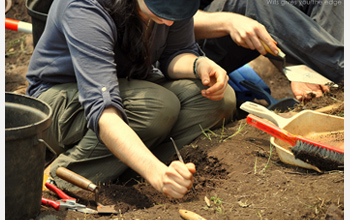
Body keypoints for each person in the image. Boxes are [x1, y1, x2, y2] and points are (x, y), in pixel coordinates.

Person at [26, 0, 236, 199]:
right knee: (158, 106)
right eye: (161, 11)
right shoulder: (86, 8)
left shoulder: (172, 7)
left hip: (129, 82)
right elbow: (103, 111)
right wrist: (155, 173)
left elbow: (176, 52)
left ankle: (132, 171)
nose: (170, 22)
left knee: (217, 99)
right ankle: (59, 178)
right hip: (58, 102)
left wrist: (198, 65)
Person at [194, 0, 344, 101]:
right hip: (190, 47)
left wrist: (299, 68)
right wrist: (228, 22)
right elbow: (174, 23)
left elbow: (272, 17)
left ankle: (331, 92)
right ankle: (343, 73)